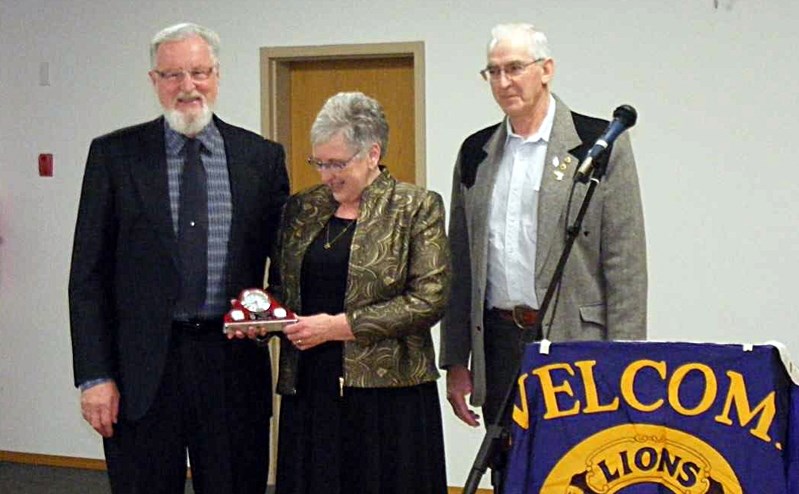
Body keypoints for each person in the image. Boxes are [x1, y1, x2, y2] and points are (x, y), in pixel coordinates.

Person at [68, 22, 289, 494]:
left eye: (199, 72)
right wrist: (94, 376)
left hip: (231, 368)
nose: (187, 87)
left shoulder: (261, 159)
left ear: (216, 75)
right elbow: (87, 277)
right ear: (154, 81)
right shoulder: (115, 157)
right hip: (142, 374)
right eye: (172, 75)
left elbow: (286, 263)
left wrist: (270, 310)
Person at [440, 23, 647, 429]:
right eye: (493, 72)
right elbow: (460, 263)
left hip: (578, 340)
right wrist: (456, 360)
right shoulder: (475, 153)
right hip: (498, 343)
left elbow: (625, 265)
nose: (503, 81)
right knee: (508, 467)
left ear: (546, 69)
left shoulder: (598, 145)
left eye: (515, 68)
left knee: (571, 468)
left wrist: (626, 359)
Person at [268, 91, 449, 494]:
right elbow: (285, 287)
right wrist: (262, 318)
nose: (327, 175)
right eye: (319, 162)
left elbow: (428, 300)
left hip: (388, 392)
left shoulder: (415, 207)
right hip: (311, 385)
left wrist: (337, 327)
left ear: (372, 153)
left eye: (338, 163)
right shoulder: (303, 209)